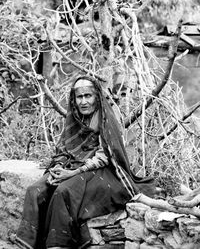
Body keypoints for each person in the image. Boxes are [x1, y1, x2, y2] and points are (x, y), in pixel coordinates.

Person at [15, 75, 155, 249]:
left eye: (88, 96)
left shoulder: (106, 118)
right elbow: (64, 149)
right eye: (79, 97)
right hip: (71, 165)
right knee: (34, 190)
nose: (83, 102)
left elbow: (105, 156)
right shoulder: (74, 117)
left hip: (100, 170)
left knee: (63, 191)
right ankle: (28, 244)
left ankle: (58, 245)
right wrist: (58, 168)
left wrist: (72, 174)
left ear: (96, 96)